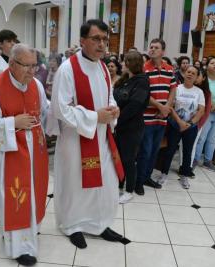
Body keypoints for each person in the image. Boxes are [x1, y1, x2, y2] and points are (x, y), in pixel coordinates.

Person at [47, 19, 124, 249]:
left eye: (104, 39)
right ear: (82, 41)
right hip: (75, 140)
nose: (102, 44)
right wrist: (94, 117)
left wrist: (113, 109)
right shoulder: (68, 69)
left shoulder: (102, 66)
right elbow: (60, 109)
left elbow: (108, 95)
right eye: (96, 39)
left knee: (103, 183)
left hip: (101, 137)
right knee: (75, 184)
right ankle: (72, 225)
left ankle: (98, 224)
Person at [0, 44, 48, 266]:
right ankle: (18, 246)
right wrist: (12, 122)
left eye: (35, 65)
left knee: (33, 192)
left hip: (36, 152)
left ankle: (31, 232)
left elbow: (45, 110)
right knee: (15, 196)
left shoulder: (36, 85)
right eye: (27, 66)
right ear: (12, 64)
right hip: (10, 155)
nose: (32, 72)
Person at [135, 38, 176, 195]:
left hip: (162, 118)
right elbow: (143, 93)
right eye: (151, 47)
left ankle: (147, 177)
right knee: (145, 151)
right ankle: (139, 181)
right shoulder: (143, 69)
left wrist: (167, 108)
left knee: (154, 151)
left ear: (163, 51)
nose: (152, 49)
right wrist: (160, 106)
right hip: (147, 118)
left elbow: (172, 89)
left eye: (156, 47)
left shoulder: (169, 69)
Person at [154, 66, 205, 189]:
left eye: (193, 73)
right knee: (170, 150)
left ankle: (184, 176)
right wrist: (180, 122)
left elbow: (201, 110)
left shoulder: (199, 92)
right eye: (188, 72)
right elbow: (170, 106)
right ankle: (164, 174)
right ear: (184, 73)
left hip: (190, 127)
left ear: (197, 76)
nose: (190, 74)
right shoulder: (176, 89)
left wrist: (190, 123)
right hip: (175, 125)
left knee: (187, 152)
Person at [113, 51, 150, 204]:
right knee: (119, 158)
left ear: (131, 63)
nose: (121, 64)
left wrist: (116, 119)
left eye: (124, 61)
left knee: (128, 159)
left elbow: (135, 105)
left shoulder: (142, 81)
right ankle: (119, 185)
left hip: (131, 127)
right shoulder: (126, 80)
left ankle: (129, 190)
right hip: (119, 126)